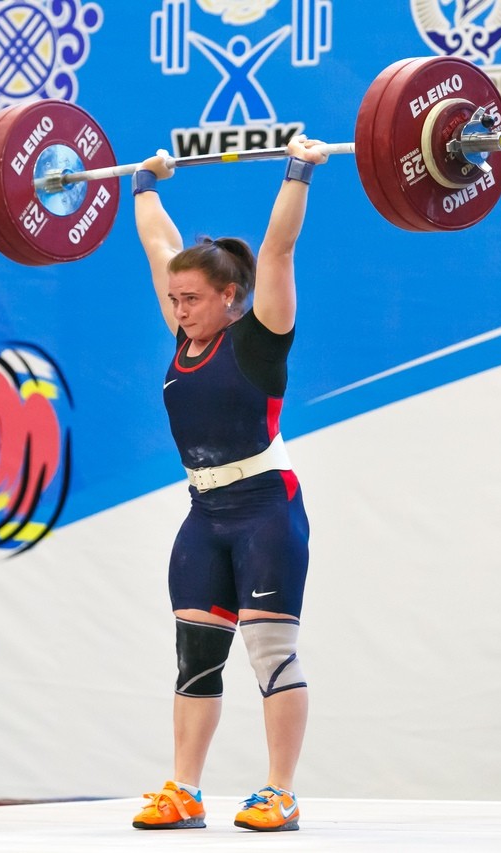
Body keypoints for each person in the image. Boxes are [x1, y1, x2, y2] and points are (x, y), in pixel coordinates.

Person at [130, 135, 327, 833]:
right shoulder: (183, 335)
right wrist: (145, 185)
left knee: (271, 653)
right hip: (204, 513)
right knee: (194, 657)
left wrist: (297, 171)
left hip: (267, 510)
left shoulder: (260, 334)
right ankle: (184, 790)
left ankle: (280, 790)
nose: (178, 308)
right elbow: (160, 247)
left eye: (191, 298)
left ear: (229, 297)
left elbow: (277, 250)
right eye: (174, 299)